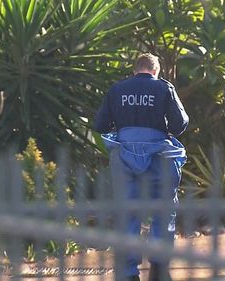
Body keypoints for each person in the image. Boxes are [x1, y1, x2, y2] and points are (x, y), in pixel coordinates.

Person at [94, 53, 189, 281]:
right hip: (159, 157)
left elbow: (100, 124)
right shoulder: (165, 88)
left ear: (135, 70)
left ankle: (128, 273)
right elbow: (180, 123)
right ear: (155, 71)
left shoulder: (117, 89)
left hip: (125, 157)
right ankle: (158, 268)